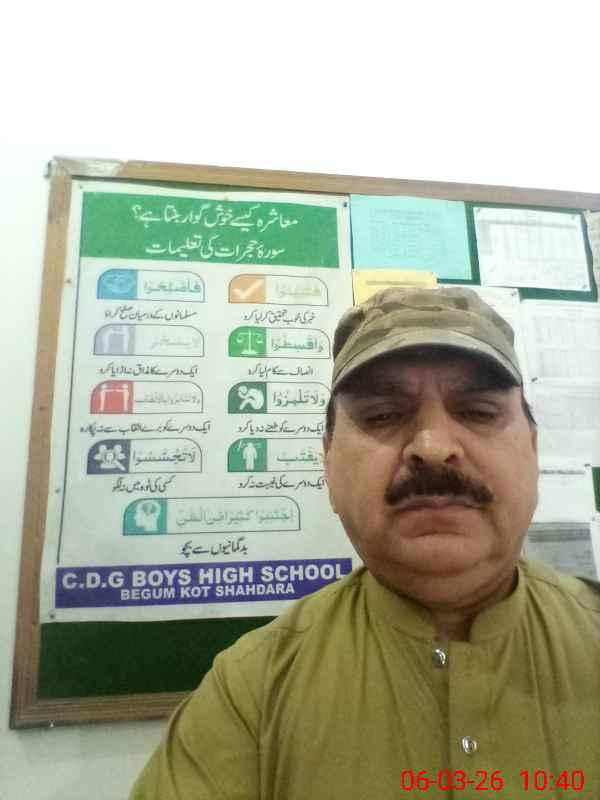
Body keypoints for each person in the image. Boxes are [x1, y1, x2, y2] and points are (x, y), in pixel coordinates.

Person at [130, 287, 600, 800]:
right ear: (328, 463)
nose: (433, 447)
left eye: (478, 411)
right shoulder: (251, 692)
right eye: (381, 415)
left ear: (533, 449)